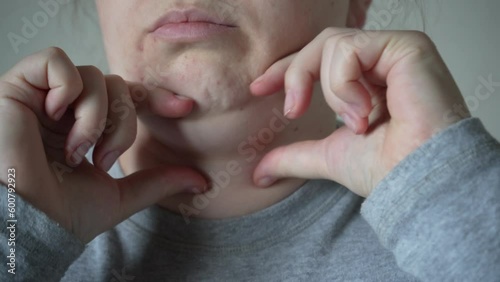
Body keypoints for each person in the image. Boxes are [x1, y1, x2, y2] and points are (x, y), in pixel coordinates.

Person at [1, 0, 499, 281]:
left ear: (356, 4)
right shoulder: (16, 225)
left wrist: (445, 186)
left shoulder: (450, 199)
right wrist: (16, 234)